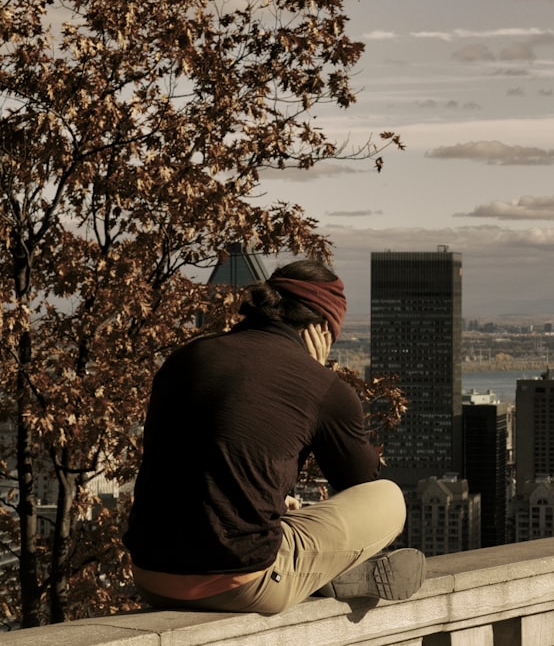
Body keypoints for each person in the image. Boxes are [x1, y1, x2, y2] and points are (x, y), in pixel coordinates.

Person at [124, 259, 424, 613]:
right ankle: (321, 575)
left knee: (278, 516)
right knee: (389, 497)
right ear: (323, 328)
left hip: (150, 577)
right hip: (243, 582)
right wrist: (319, 375)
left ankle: (313, 571)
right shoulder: (321, 386)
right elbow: (360, 482)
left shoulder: (184, 358)